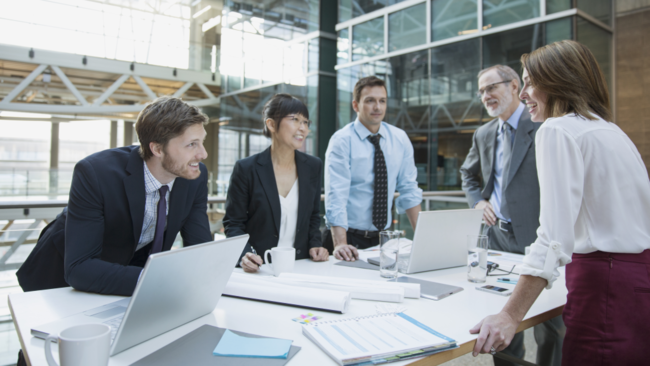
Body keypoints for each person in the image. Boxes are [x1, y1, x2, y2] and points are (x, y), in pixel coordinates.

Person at [470, 40, 650, 365]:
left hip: (603, 285)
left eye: (529, 82)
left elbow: (554, 238)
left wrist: (510, 316)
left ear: (558, 81)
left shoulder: (557, 129)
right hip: (638, 283)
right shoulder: (611, 131)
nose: (523, 94)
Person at [16, 96, 213, 296]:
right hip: (61, 279)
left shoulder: (195, 176)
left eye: (202, 142)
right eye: (192, 145)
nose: (203, 154)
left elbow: (200, 247)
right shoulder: (95, 172)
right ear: (157, 149)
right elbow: (80, 268)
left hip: (128, 271)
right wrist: (159, 281)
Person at [460, 65, 564, 366]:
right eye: (481, 91)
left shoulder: (544, 126)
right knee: (502, 320)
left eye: (491, 87)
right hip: (498, 239)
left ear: (515, 85)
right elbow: (468, 174)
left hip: (538, 237)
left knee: (552, 328)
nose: (485, 96)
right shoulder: (484, 133)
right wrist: (477, 201)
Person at [223, 94, 328, 272]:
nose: (302, 128)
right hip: (259, 267)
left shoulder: (313, 166)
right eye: (295, 120)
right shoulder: (246, 168)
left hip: (301, 265)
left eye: (305, 122)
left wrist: (315, 244)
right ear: (271, 124)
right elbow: (233, 223)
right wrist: (245, 254)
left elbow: (313, 216)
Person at [324, 76, 422, 261]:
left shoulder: (400, 139)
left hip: (385, 240)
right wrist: (341, 244)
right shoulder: (341, 141)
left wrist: (424, 240)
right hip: (348, 238)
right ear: (356, 105)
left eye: (382, 101)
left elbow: (409, 189)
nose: (377, 107)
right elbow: (336, 196)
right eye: (370, 101)